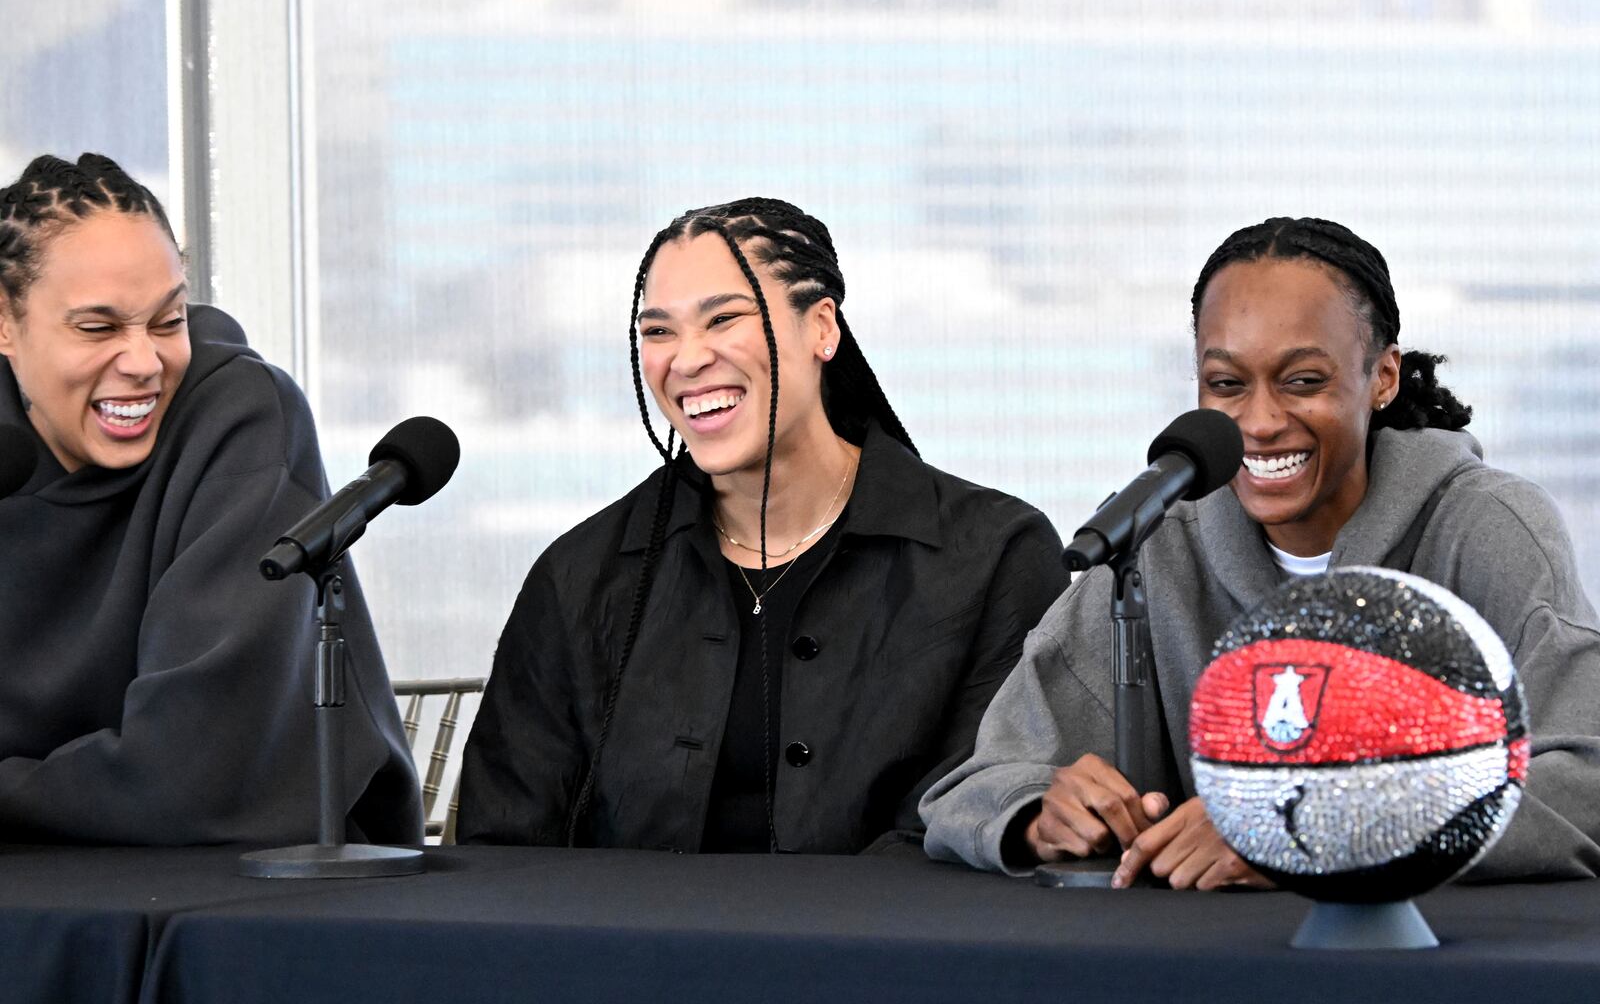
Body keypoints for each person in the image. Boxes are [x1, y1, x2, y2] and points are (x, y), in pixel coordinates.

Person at [921, 216, 1600, 887]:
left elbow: (1584, 780)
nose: (1262, 421)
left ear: (1383, 376)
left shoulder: (1487, 527)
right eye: (1227, 385)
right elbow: (980, 782)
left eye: (1303, 381)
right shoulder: (1156, 542)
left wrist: (1309, 829)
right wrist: (1044, 813)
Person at [459, 198, 1066, 853]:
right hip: (630, 954)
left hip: (893, 951)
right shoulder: (582, 575)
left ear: (822, 329)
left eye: (723, 318)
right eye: (658, 331)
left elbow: (983, 821)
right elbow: (504, 845)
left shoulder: (993, 557)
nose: (686, 359)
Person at [0, 153, 421, 845]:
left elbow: (190, 772)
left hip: (250, 891)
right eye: (98, 329)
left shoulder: (243, 418)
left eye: (167, 321)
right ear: (5, 322)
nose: (143, 362)